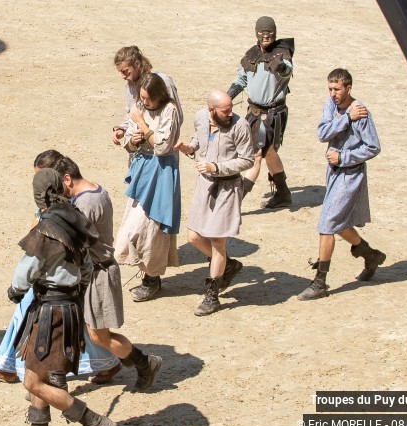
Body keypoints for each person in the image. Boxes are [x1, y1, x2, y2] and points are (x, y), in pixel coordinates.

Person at [0, 151, 123, 386]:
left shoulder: (74, 209)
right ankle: (8, 365)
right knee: (69, 326)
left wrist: (17, 287)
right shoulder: (68, 208)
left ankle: (41, 381)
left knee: (52, 328)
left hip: (60, 280)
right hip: (68, 277)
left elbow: (44, 255)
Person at [3, 169, 116, 426]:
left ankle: (93, 422)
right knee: (35, 370)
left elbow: (27, 269)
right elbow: (88, 267)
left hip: (51, 310)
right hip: (69, 306)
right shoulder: (75, 217)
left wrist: (16, 289)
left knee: (33, 382)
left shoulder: (48, 226)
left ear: (39, 194)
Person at [55, 155, 162, 389]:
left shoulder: (87, 203)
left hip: (97, 274)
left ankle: (145, 363)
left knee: (99, 336)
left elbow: (73, 243)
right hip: (92, 272)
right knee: (87, 331)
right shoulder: (90, 194)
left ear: (67, 179)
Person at [299, 69, 385, 300]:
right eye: (330, 89)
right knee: (338, 222)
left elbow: (373, 146)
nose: (333, 94)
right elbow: (322, 133)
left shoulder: (362, 112)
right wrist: (346, 118)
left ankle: (320, 282)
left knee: (327, 224)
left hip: (350, 175)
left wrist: (344, 158)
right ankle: (371, 255)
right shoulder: (332, 106)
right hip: (333, 173)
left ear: (348, 88)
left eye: (337, 89)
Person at [175, 91, 254, 316]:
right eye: (225, 111)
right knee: (193, 237)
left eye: (230, 109)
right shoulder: (200, 117)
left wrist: (217, 168)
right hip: (205, 185)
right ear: (210, 110)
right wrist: (188, 148)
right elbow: (198, 141)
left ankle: (212, 294)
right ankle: (227, 265)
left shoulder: (240, 126)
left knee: (218, 241)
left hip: (227, 188)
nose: (230, 114)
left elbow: (247, 159)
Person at [114, 72, 182, 302]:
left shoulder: (169, 110)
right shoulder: (139, 105)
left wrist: (142, 125)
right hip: (142, 169)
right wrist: (131, 140)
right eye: (141, 97)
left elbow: (163, 147)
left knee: (152, 228)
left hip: (161, 171)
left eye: (148, 98)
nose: (144, 102)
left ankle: (151, 279)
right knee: (132, 229)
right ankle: (149, 275)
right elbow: (129, 140)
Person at [226, 16, 295, 208]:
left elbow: (287, 70)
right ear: (256, 33)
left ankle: (234, 201)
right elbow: (241, 79)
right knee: (270, 153)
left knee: (255, 155)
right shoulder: (252, 54)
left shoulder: (282, 54)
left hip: (271, 115)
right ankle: (283, 193)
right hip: (254, 113)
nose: (266, 36)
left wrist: (282, 66)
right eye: (262, 32)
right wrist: (228, 97)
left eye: (269, 32)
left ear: (274, 32)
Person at [110, 46, 183, 162]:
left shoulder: (164, 82)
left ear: (137, 64)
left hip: (162, 157)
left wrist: (151, 134)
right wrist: (123, 129)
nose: (123, 76)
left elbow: (176, 117)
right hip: (138, 156)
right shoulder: (130, 84)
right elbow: (132, 113)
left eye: (125, 71)